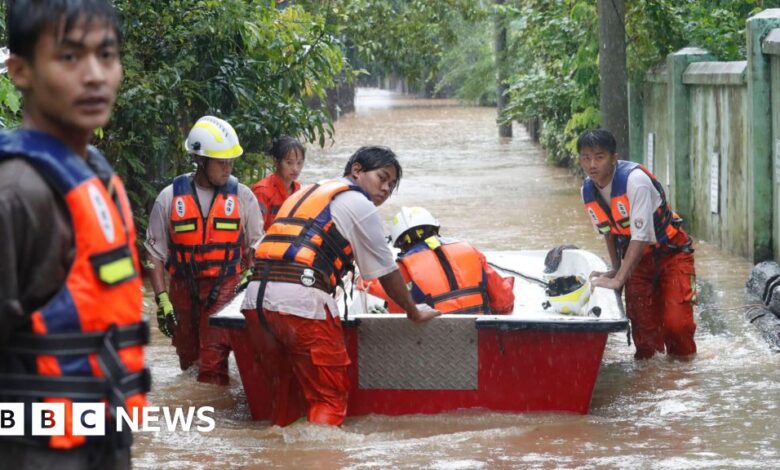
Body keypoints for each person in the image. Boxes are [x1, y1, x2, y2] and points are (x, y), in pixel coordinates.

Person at [0, 1, 149, 467]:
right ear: (20, 70)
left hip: (101, 447)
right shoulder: (14, 195)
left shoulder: (97, 179)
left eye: (106, 56)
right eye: (69, 57)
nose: (94, 75)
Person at [241, 146, 440, 427]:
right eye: (382, 178)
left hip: (255, 303)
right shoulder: (360, 205)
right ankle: (324, 458)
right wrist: (413, 310)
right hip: (302, 304)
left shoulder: (305, 193)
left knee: (287, 393)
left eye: (391, 185)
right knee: (329, 398)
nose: (385, 189)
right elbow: (387, 272)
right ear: (357, 170)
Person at [145, 115, 263, 385]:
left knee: (212, 364)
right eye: (222, 162)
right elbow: (154, 254)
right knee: (188, 362)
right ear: (200, 160)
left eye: (231, 162)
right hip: (182, 288)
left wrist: (250, 276)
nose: (228, 168)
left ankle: (212, 416)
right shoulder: (169, 198)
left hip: (224, 287)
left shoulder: (243, 197)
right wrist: (162, 299)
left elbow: (258, 243)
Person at [578, 129, 696, 359]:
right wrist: (615, 268)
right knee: (643, 338)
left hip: (672, 253)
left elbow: (641, 236)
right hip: (637, 261)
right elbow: (608, 232)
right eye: (585, 157)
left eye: (599, 157)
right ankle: (648, 383)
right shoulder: (587, 190)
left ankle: (684, 376)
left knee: (677, 326)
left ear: (614, 158)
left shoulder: (636, 182)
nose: (592, 164)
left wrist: (620, 278)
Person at [361, 206, 515, 314]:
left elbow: (399, 314)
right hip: (477, 333)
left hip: (433, 338)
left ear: (400, 243)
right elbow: (504, 301)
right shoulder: (469, 251)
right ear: (435, 228)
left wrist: (363, 280)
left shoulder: (403, 267)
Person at [251, 135, 305, 230]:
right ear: (276, 162)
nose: (296, 169)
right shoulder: (262, 191)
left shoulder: (298, 189)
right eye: (289, 163)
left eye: (299, 163)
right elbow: (255, 231)